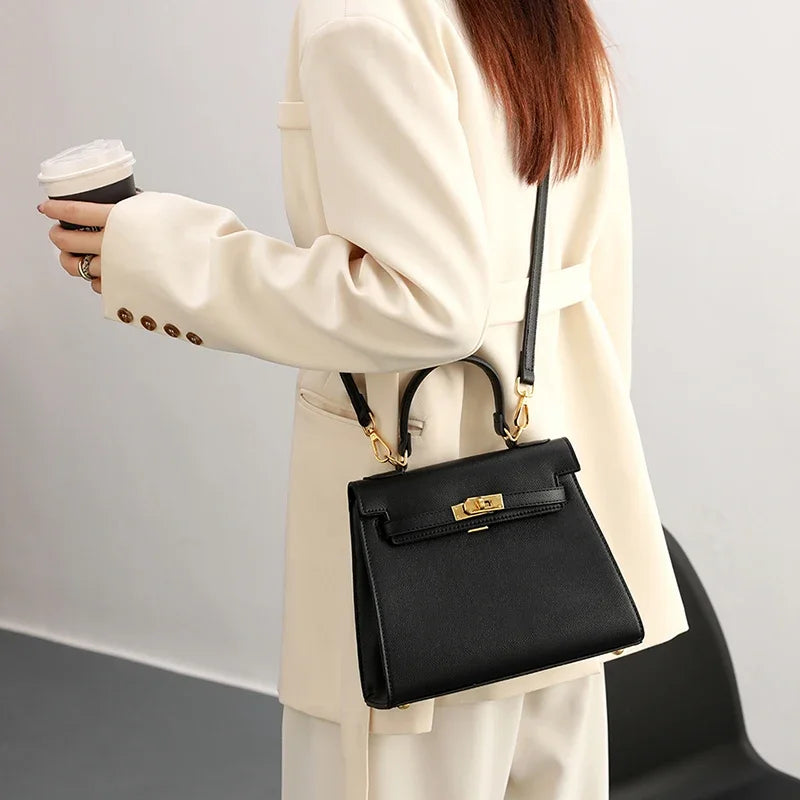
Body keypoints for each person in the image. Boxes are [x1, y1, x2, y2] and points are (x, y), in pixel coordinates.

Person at [38, 0, 689, 797]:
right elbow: (596, 263)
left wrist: (154, 252)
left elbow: (420, 302)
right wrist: (583, 427)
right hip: (555, 507)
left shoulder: (362, 16)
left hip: (418, 532)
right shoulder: (542, 11)